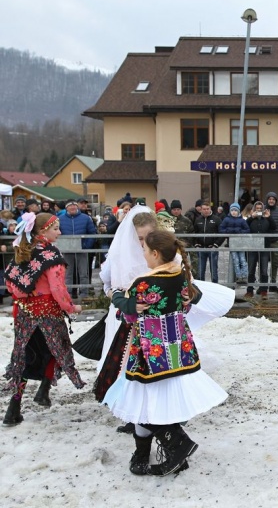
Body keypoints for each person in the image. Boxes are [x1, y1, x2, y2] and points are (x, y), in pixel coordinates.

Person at [103, 230, 228, 476]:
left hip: (150, 351)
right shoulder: (181, 275)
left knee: (142, 399)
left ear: (155, 253)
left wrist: (115, 295)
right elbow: (193, 298)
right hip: (177, 348)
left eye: (145, 250)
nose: (143, 255)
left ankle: (175, 444)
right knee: (160, 399)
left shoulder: (144, 283)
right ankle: (168, 448)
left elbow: (129, 313)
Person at [3, 212, 86, 426]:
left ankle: (14, 407)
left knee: (25, 355)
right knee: (55, 348)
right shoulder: (51, 255)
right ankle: (44, 389)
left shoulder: (22, 251)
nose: (59, 232)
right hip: (48, 311)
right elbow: (58, 288)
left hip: (24, 312)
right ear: (42, 231)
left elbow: (10, 282)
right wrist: (71, 307)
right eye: (55, 228)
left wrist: (25, 298)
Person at [58, 199, 97, 298]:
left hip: (82, 249)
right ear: (66, 208)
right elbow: (57, 233)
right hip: (67, 249)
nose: (72, 207)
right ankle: (68, 293)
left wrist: (86, 245)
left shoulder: (86, 218)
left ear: (77, 207)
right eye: (70, 206)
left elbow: (92, 233)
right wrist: (61, 245)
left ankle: (84, 293)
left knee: (83, 273)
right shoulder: (60, 219)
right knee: (68, 273)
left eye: (74, 205)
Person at [246, 200, 273, 299]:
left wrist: (269, 217)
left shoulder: (266, 219)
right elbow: (245, 226)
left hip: (264, 247)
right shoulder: (251, 219)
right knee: (251, 269)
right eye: (257, 209)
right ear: (254, 209)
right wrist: (251, 217)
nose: (258, 210)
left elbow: (274, 227)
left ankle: (264, 290)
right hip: (252, 247)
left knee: (264, 270)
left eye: (260, 209)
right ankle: (249, 290)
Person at [193, 202, 223, 284]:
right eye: (204, 209)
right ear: (201, 210)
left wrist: (216, 244)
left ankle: (215, 287)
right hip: (201, 249)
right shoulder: (198, 220)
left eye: (207, 209)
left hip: (212, 248)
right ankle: (201, 287)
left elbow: (222, 233)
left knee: (214, 272)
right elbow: (194, 233)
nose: (206, 211)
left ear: (210, 209)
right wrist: (196, 244)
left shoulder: (217, 219)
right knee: (200, 272)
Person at [219, 203, 250, 284]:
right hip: (232, 243)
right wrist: (228, 231)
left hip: (241, 243)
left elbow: (247, 230)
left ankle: (244, 276)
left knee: (242, 260)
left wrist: (240, 231)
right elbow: (221, 229)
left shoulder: (242, 220)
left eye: (235, 210)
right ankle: (238, 276)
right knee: (235, 260)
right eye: (232, 210)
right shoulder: (226, 220)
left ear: (238, 211)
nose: (233, 212)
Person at [264, 192, 278, 294]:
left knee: (275, 263)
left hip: (276, 240)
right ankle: (262, 285)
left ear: (276, 200)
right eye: (270, 199)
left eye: (273, 199)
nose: (271, 201)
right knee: (263, 264)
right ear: (267, 200)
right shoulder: (263, 209)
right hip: (265, 240)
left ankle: (273, 284)